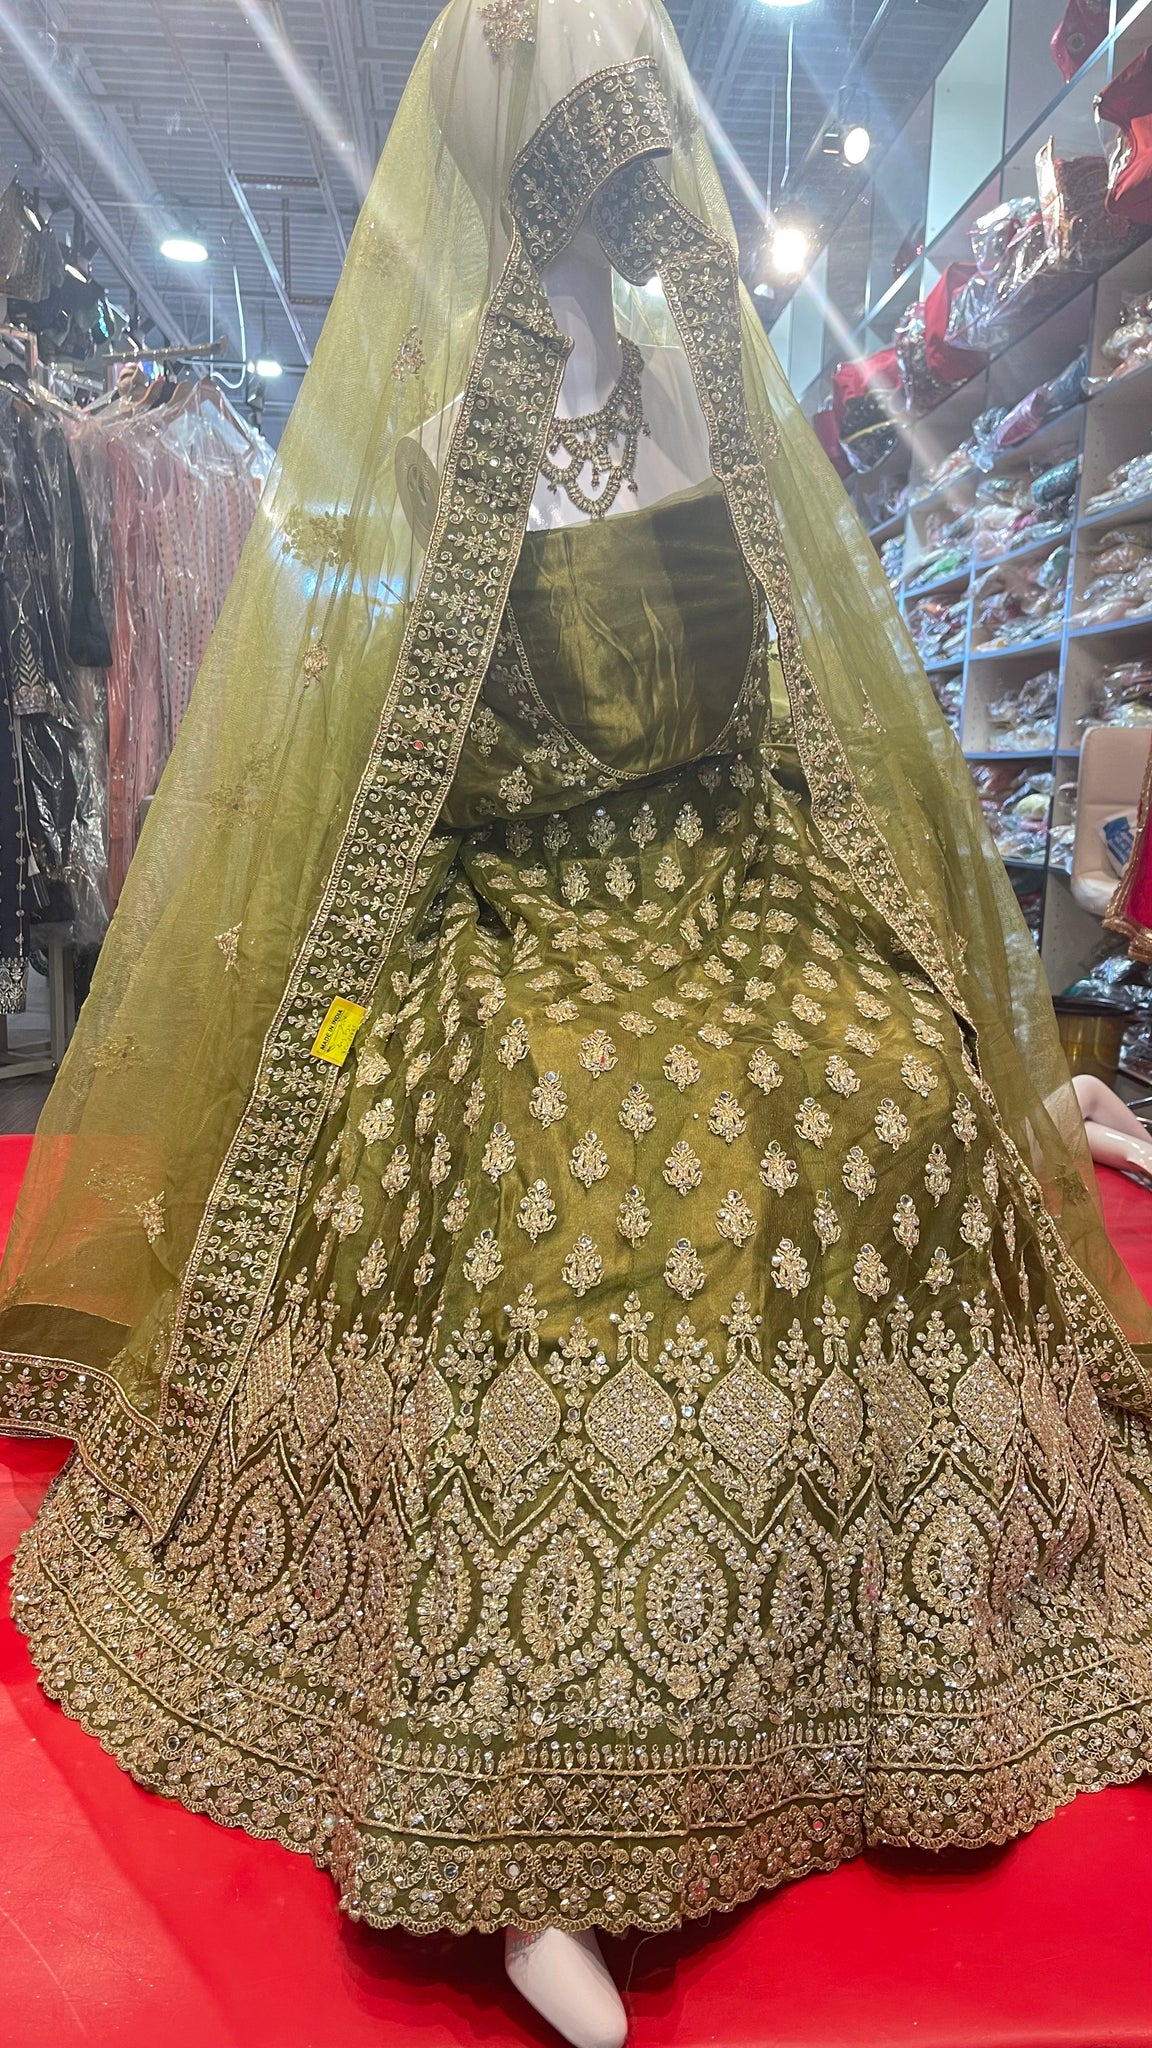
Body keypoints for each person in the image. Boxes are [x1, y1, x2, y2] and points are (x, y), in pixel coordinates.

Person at [3, 5, 1152, 2045]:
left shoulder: (722, 406)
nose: (628, 199)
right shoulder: (452, 440)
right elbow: (429, 756)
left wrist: (916, 967)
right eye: (587, 160)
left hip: (733, 871)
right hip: (520, 901)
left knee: (889, 1082)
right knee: (537, 1137)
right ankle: (522, 1797)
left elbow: (785, 711)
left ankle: (895, 1635)